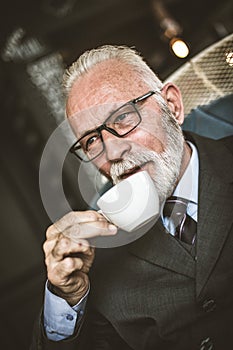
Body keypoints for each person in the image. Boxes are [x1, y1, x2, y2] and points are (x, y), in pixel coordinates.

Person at [31, 45, 233, 350]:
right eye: (91, 140)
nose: (112, 152)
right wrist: (66, 297)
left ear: (172, 106)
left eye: (123, 117)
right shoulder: (96, 258)